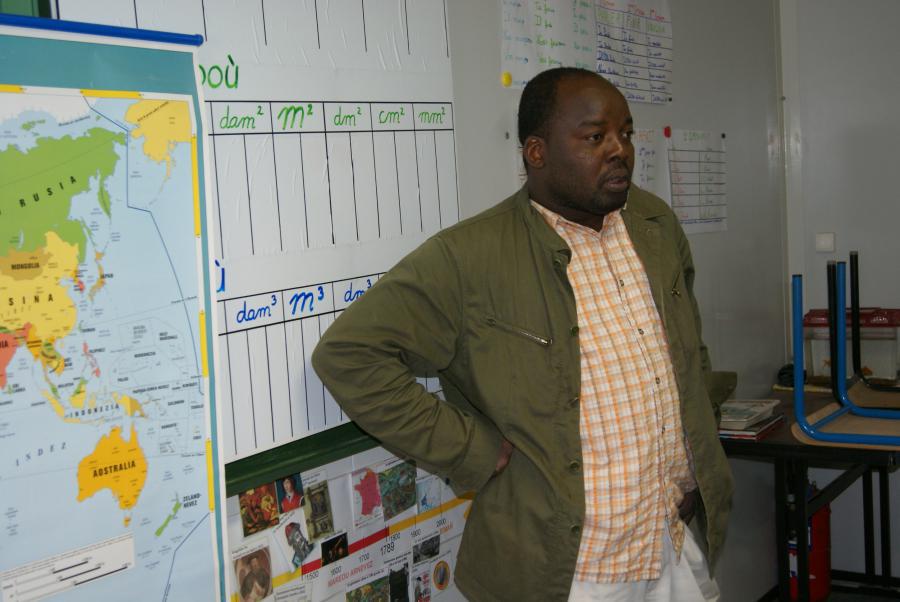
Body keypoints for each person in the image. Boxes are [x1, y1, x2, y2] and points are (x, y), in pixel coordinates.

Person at [312, 67, 735, 601]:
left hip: (670, 537)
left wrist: (694, 449)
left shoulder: (654, 224)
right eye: (595, 136)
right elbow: (349, 355)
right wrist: (470, 448)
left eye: (625, 133)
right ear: (537, 152)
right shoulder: (471, 256)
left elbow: (689, 352)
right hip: (573, 571)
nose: (620, 150)